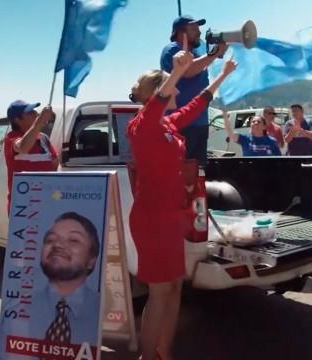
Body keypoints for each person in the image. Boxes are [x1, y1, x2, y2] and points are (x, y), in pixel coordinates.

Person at [128, 35, 236, 360]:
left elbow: (197, 104)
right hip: (151, 219)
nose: (177, 92)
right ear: (157, 92)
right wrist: (176, 72)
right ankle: (148, 356)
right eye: (172, 87)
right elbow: (162, 97)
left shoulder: (168, 124)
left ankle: (165, 351)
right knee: (160, 292)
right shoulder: (141, 125)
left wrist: (223, 74)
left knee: (175, 286)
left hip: (172, 216)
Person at [0, 212, 101, 359]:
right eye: (50, 239)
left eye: (73, 240)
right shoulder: (15, 313)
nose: (57, 245)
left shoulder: (102, 314)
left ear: (92, 259)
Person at [160, 15, 228, 168]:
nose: (198, 32)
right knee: (182, 171)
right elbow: (187, 70)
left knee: (198, 171)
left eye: (198, 28)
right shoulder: (172, 50)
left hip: (199, 123)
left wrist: (216, 52)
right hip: (181, 123)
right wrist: (214, 54)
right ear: (180, 33)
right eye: (193, 29)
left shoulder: (197, 54)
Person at [3, 100, 59, 211]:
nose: (35, 113)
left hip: (47, 201)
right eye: (30, 112)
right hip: (23, 206)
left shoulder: (43, 137)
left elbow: (55, 164)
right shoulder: (12, 138)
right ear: (17, 120)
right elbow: (23, 147)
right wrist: (40, 121)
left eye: (34, 110)